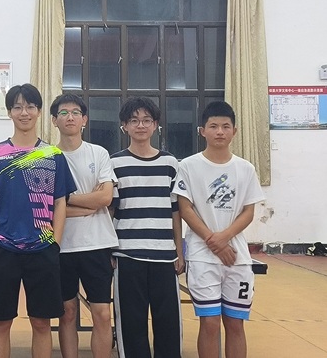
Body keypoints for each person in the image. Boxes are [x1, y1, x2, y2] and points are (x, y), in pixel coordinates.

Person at [0, 83, 76, 358]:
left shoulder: (53, 155)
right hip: (3, 248)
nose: (24, 112)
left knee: (42, 323)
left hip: (43, 249)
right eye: (18, 107)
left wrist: (55, 242)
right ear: (9, 112)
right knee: (1, 322)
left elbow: (60, 202)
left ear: (39, 111)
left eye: (30, 106)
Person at [173, 101, 264, 358]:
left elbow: (248, 212)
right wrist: (212, 241)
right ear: (202, 131)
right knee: (210, 323)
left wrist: (223, 238)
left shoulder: (245, 168)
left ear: (235, 131)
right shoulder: (188, 166)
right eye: (213, 126)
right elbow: (185, 208)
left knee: (235, 323)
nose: (220, 131)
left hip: (237, 257)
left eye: (225, 126)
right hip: (202, 256)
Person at [109, 97, 184, 358]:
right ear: (124, 126)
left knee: (168, 324)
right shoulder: (114, 163)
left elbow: (176, 212)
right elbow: (111, 211)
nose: (140, 125)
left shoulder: (170, 164)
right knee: (131, 325)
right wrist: (110, 250)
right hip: (127, 256)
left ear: (155, 125)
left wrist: (179, 252)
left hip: (164, 256)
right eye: (134, 120)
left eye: (146, 120)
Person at [49, 94, 116, 358]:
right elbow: (45, 208)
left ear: (84, 119)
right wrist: (89, 204)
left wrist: (65, 200)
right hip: (60, 245)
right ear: (54, 120)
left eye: (76, 112)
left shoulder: (99, 153)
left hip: (97, 245)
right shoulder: (46, 157)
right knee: (67, 313)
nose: (70, 117)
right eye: (63, 113)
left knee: (102, 313)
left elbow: (105, 198)